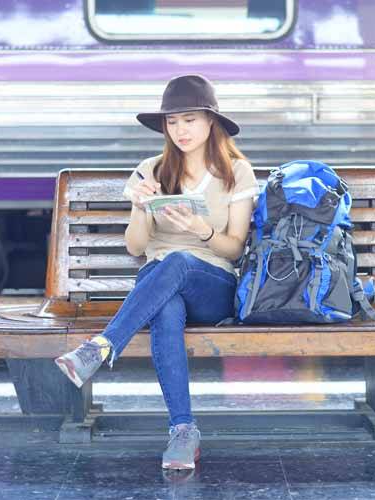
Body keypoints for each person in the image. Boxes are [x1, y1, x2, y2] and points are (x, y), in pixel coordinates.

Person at [54, 74, 258, 470]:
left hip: (212, 286)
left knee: (178, 261)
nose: (180, 130)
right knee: (165, 303)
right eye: (172, 122)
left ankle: (101, 347)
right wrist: (140, 207)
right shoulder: (150, 170)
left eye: (189, 120)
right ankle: (183, 431)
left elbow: (234, 248)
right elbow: (134, 247)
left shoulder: (237, 172)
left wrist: (200, 230)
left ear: (210, 121)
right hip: (161, 287)